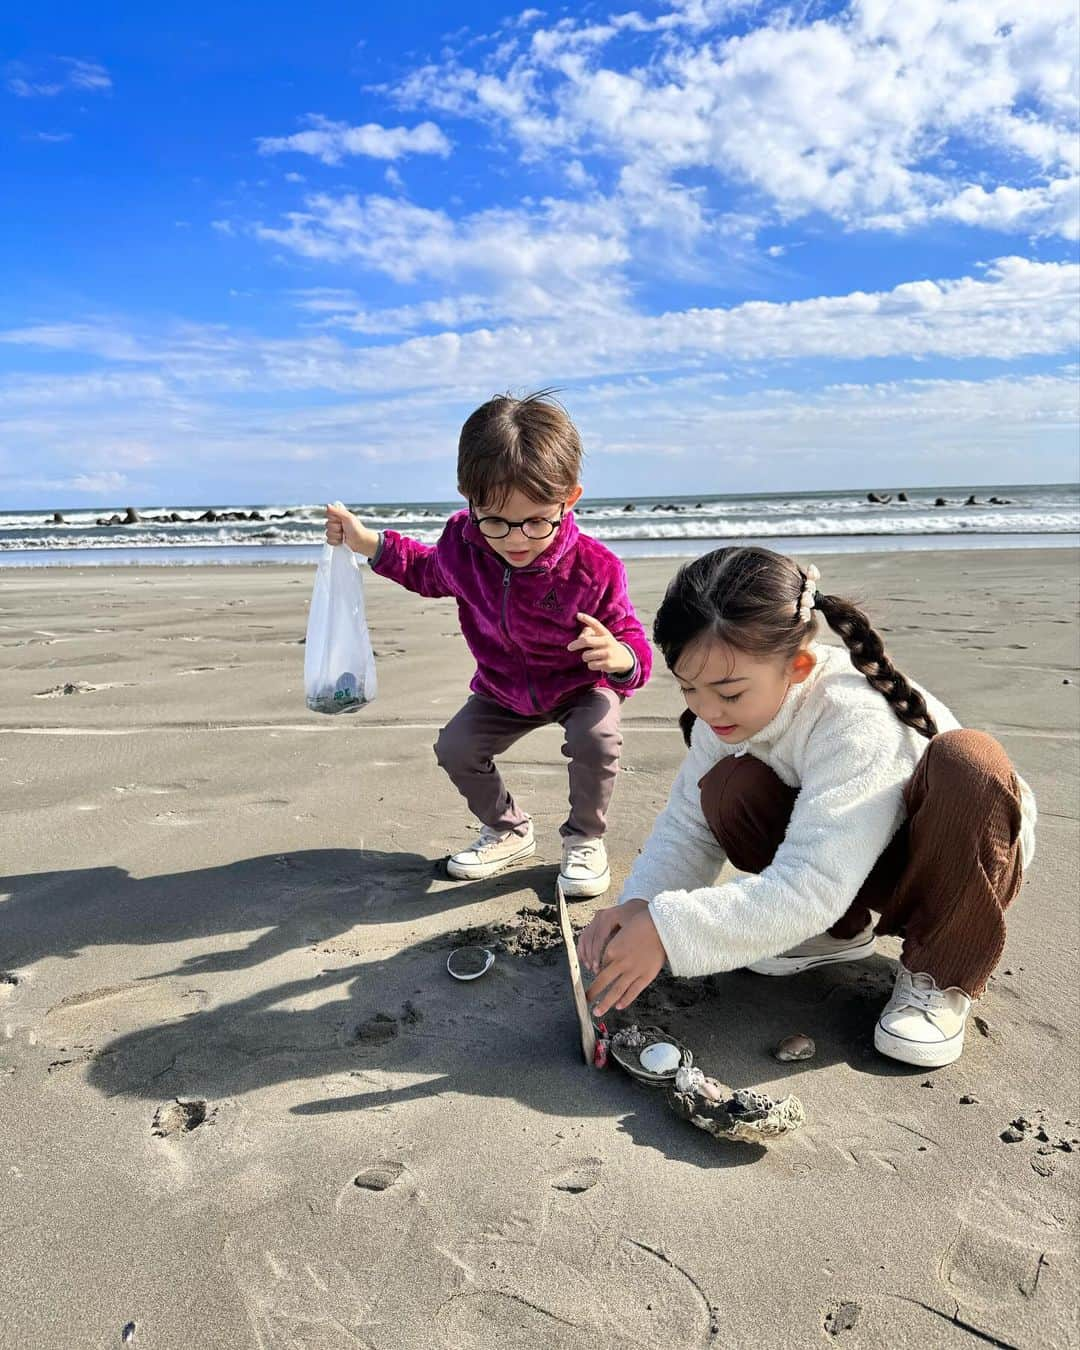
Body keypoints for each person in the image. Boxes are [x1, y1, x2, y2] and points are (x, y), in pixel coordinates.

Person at [578, 546, 1036, 1067]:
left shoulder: (853, 717)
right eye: (689, 689)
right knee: (727, 787)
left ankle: (941, 974)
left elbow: (811, 884)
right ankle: (835, 933)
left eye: (728, 692)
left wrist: (667, 929)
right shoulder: (720, 718)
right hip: (847, 853)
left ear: (797, 665)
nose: (706, 710)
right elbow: (688, 828)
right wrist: (641, 903)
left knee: (968, 759)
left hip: (961, 858)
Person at [325, 391, 652, 898]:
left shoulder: (595, 569)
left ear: (570, 498)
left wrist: (621, 657)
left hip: (579, 684)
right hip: (502, 687)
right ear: (467, 497)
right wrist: (367, 542)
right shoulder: (462, 542)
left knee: (595, 739)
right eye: (495, 520)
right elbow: (426, 570)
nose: (516, 539)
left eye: (537, 521)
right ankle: (508, 829)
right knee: (456, 747)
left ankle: (585, 838)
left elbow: (631, 638)